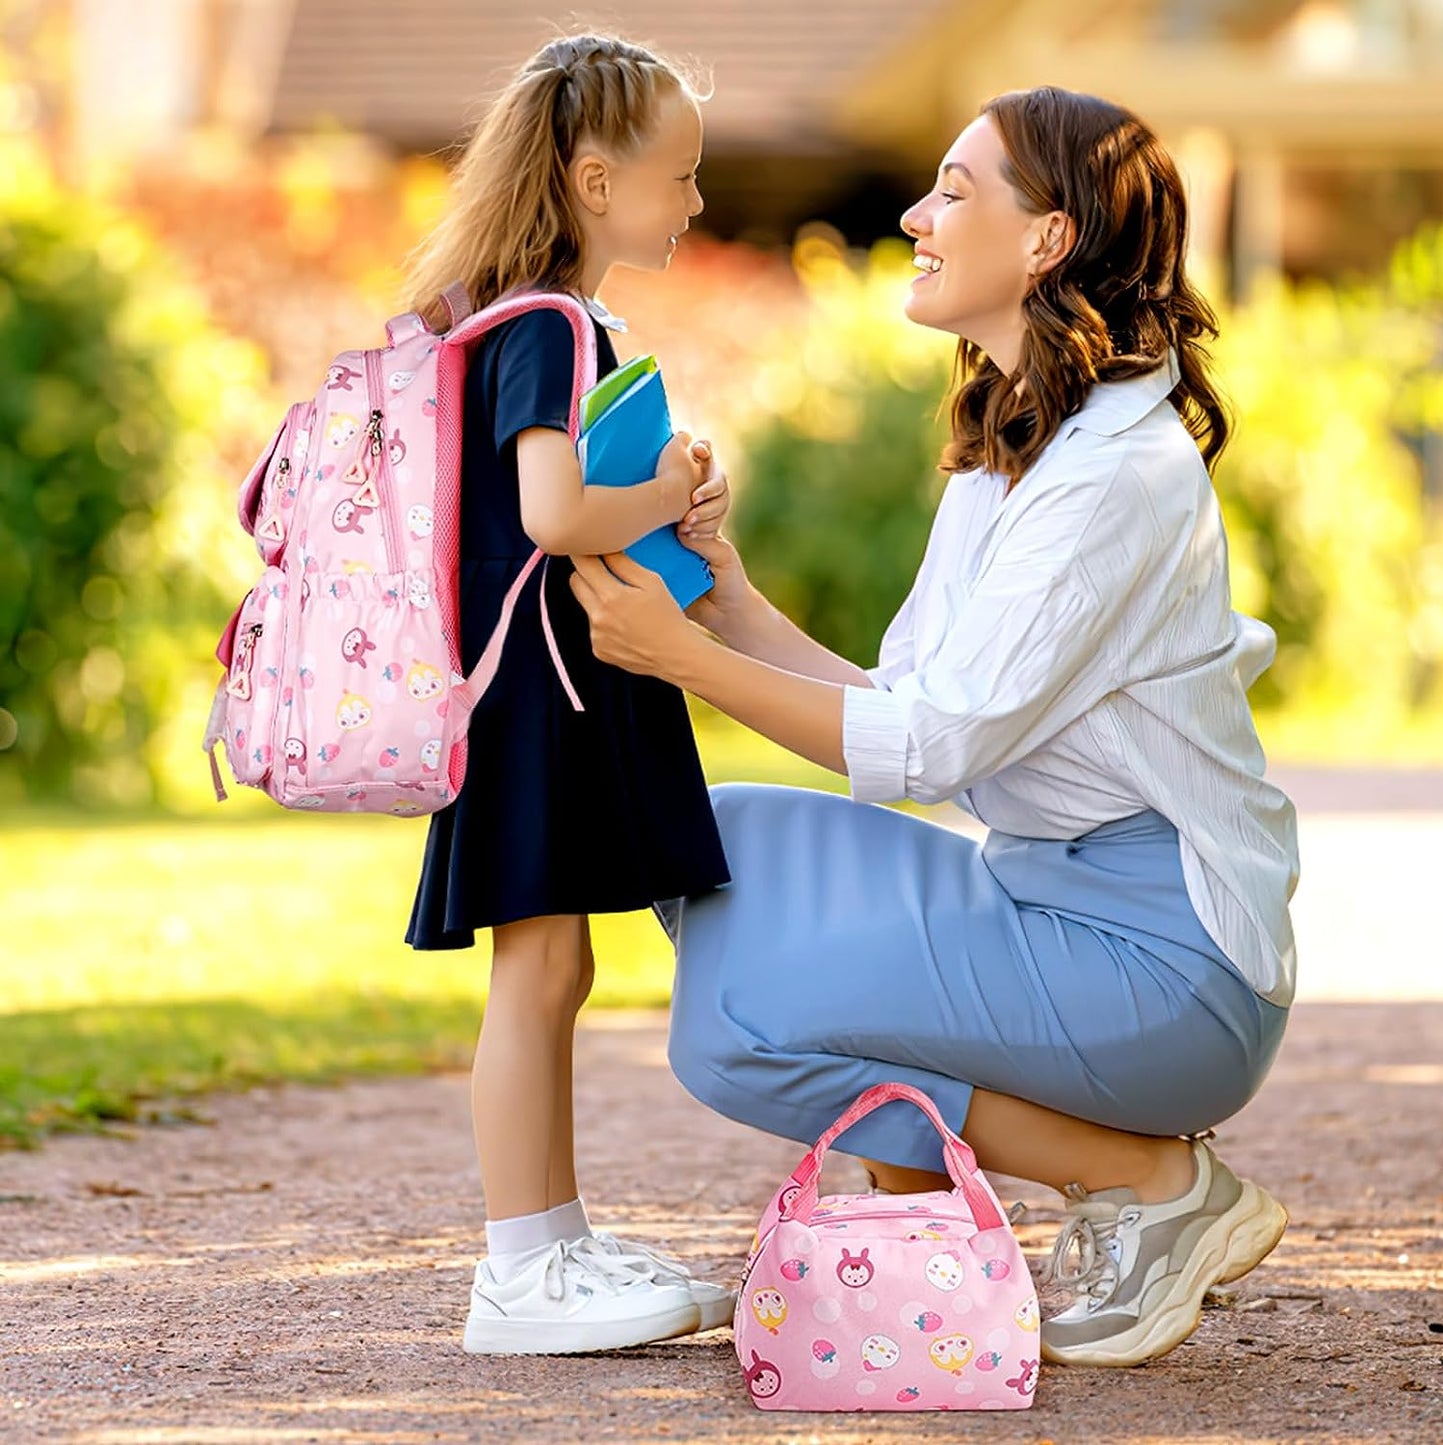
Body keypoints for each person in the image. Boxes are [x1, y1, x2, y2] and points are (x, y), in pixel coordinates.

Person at [570, 85, 1300, 1369]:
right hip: (1050, 904)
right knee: (712, 844)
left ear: (1045, 241)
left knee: (737, 1031)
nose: (912, 214)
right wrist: (724, 599)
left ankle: (1149, 1181)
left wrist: (680, 658)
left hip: (1167, 969)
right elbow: (902, 707)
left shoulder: (1114, 476)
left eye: (954, 191)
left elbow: (928, 755)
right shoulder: (1015, 438)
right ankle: (934, 1258)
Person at [403, 34, 736, 1355]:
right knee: (537, 970)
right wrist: (665, 492)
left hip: (549, 689)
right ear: (596, 182)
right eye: (681, 177)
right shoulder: (549, 320)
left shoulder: (524, 312)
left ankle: (552, 1242)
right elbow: (551, 511)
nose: (697, 203)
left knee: (553, 964)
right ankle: (518, 1269)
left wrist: (662, 489)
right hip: (538, 696)